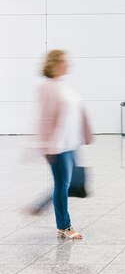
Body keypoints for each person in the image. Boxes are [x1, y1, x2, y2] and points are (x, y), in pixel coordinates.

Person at [37, 49, 92, 240]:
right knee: (62, 184)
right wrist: (46, 146)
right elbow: (44, 119)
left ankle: (41, 205)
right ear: (54, 65)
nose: (66, 64)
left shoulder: (66, 86)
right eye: (63, 61)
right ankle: (64, 226)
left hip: (71, 142)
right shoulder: (47, 88)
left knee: (73, 182)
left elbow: (78, 111)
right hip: (57, 145)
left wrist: (85, 134)